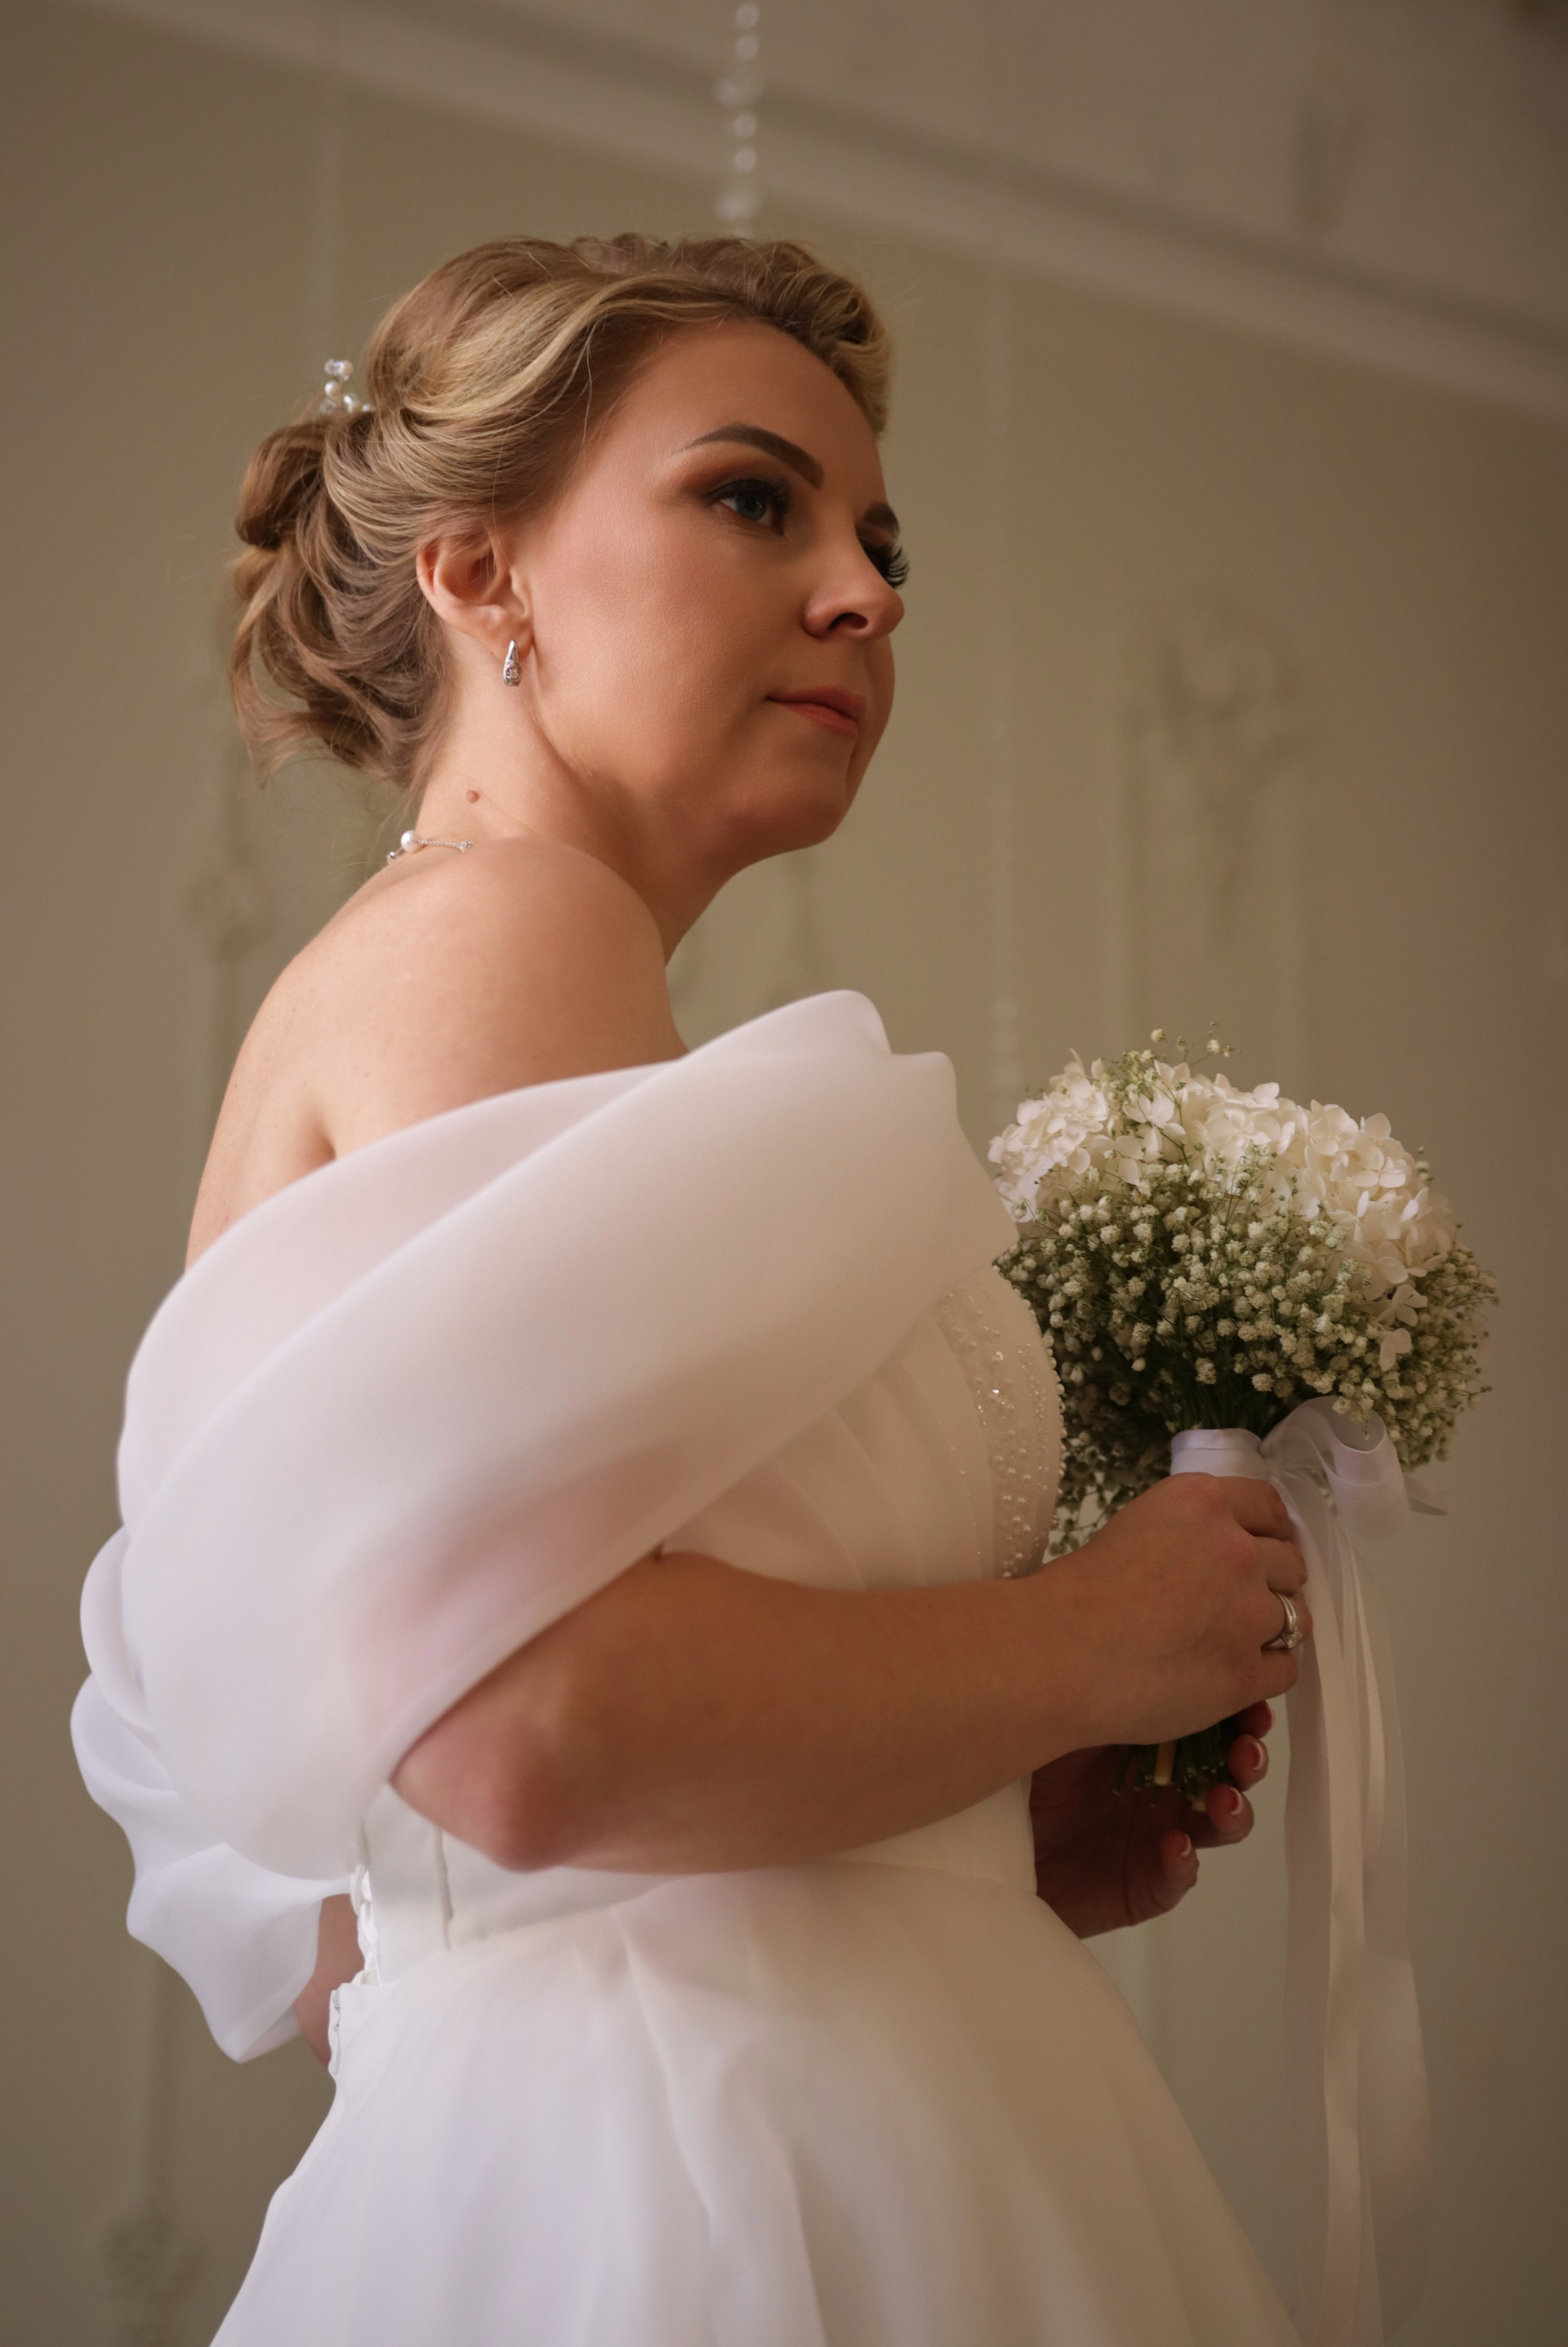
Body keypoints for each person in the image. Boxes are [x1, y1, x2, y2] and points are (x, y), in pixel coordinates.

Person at [74, 234, 1309, 2344]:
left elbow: (420, 1892)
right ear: (480, 571)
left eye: (882, 543)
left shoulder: (521, 986)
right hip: (701, 2195)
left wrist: (973, 1825)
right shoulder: (502, 926)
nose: (869, 594)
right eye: (755, 499)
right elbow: (525, 1734)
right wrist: (1091, 1640)